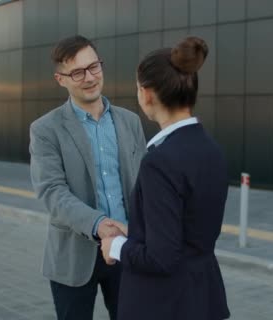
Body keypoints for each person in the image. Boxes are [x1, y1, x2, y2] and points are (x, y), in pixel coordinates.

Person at [100, 37, 231, 320]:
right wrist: (136, 231)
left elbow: (162, 257)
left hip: (163, 304)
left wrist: (116, 246)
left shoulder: (159, 161)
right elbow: (186, 231)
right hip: (204, 299)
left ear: (147, 94)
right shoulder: (212, 150)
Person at [29, 35, 146, 320]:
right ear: (61, 79)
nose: (89, 77)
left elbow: (145, 185)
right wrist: (100, 225)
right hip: (73, 256)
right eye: (78, 72)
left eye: (94, 67)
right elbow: (52, 192)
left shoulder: (130, 121)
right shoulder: (46, 129)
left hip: (127, 250)